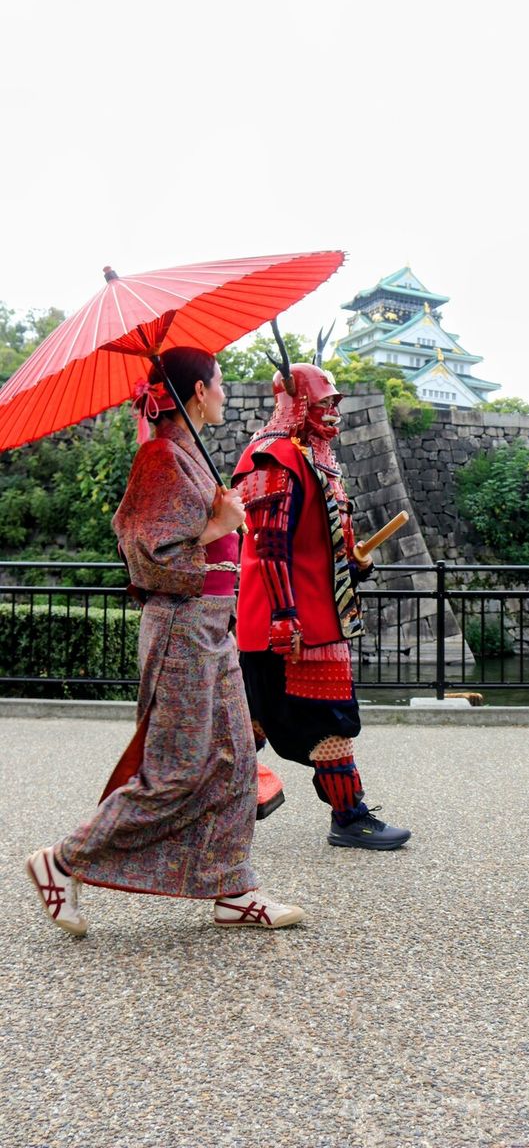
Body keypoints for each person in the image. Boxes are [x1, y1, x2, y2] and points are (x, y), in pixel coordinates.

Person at [25, 347, 305, 936]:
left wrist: (222, 522)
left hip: (212, 627)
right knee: (175, 769)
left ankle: (233, 889)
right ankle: (62, 861)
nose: (225, 393)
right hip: (182, 627)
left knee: (235, 759)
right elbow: (145, 555)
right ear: (198, 391)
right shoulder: (159, 457)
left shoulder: (187, 455)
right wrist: (218, 526)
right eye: (220, 382)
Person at [232, 360, 411, 850]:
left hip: (317, 616)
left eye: (336, 402)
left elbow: (322, 545)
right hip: (293, 622)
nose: (333, 411)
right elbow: (269, 546)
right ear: (299, 402)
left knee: (257, 720)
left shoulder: (315, 458)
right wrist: (285, 616)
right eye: (324, 401)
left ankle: (211, 807)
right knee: (324, 720)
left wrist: (354, 565)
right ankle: (348, 817)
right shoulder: (274, 458)